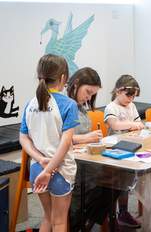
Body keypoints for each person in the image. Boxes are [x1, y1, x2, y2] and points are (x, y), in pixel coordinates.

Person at [19, 54, 79, 231]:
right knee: (59, 221)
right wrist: (49, 169)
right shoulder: (68, 104)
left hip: (37, 168)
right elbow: (65, 143)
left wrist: (41, 161)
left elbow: (23, 137)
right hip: (58, 170)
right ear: (63, 78)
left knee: (47, 216)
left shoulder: (30, 104)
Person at [67, 67, 119, 231]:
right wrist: (86, 138)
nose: (89, 97)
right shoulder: (63, 106)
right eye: (88, 92)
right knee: (109, 183)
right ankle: (79, 222)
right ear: (76, 84)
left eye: (92, 95)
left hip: (86, 160)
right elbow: (58, 138)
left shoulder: (81, 107)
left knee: (118, 180)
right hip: (72, 164)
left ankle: (88, 222)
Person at [104, 74, 143, 228]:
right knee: (115, 184)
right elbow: (114, 125)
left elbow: (139, 123)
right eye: (128, 95)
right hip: (115, 152)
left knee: (125, 183)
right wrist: (132, 125)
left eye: (133, 97)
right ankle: (112, 215)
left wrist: (137, 125)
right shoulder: (111, 107)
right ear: (118, 91)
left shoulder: (131, 106)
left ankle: (124, 212)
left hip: (130, 148)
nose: (131, 99)